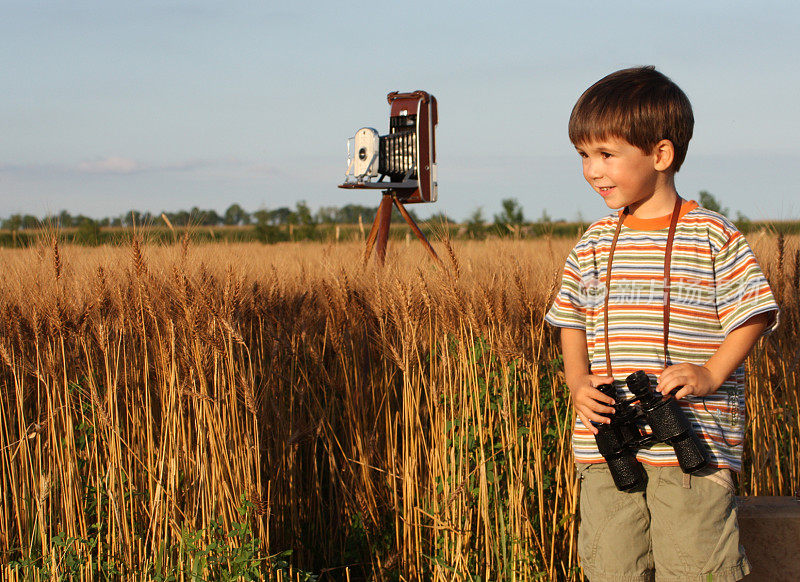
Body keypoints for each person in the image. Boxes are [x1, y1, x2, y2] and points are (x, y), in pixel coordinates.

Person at [545, 66, 779, 581]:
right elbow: (571, 320)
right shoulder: (593, 242)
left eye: (606, 154)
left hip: (695, 440)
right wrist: (577, 381)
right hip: (606, 439)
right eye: (583, 155)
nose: (591, 169)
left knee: (696, 566)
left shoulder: (711, 235)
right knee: (613, 565)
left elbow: (755, 310)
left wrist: (711, 373)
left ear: (661, 154)